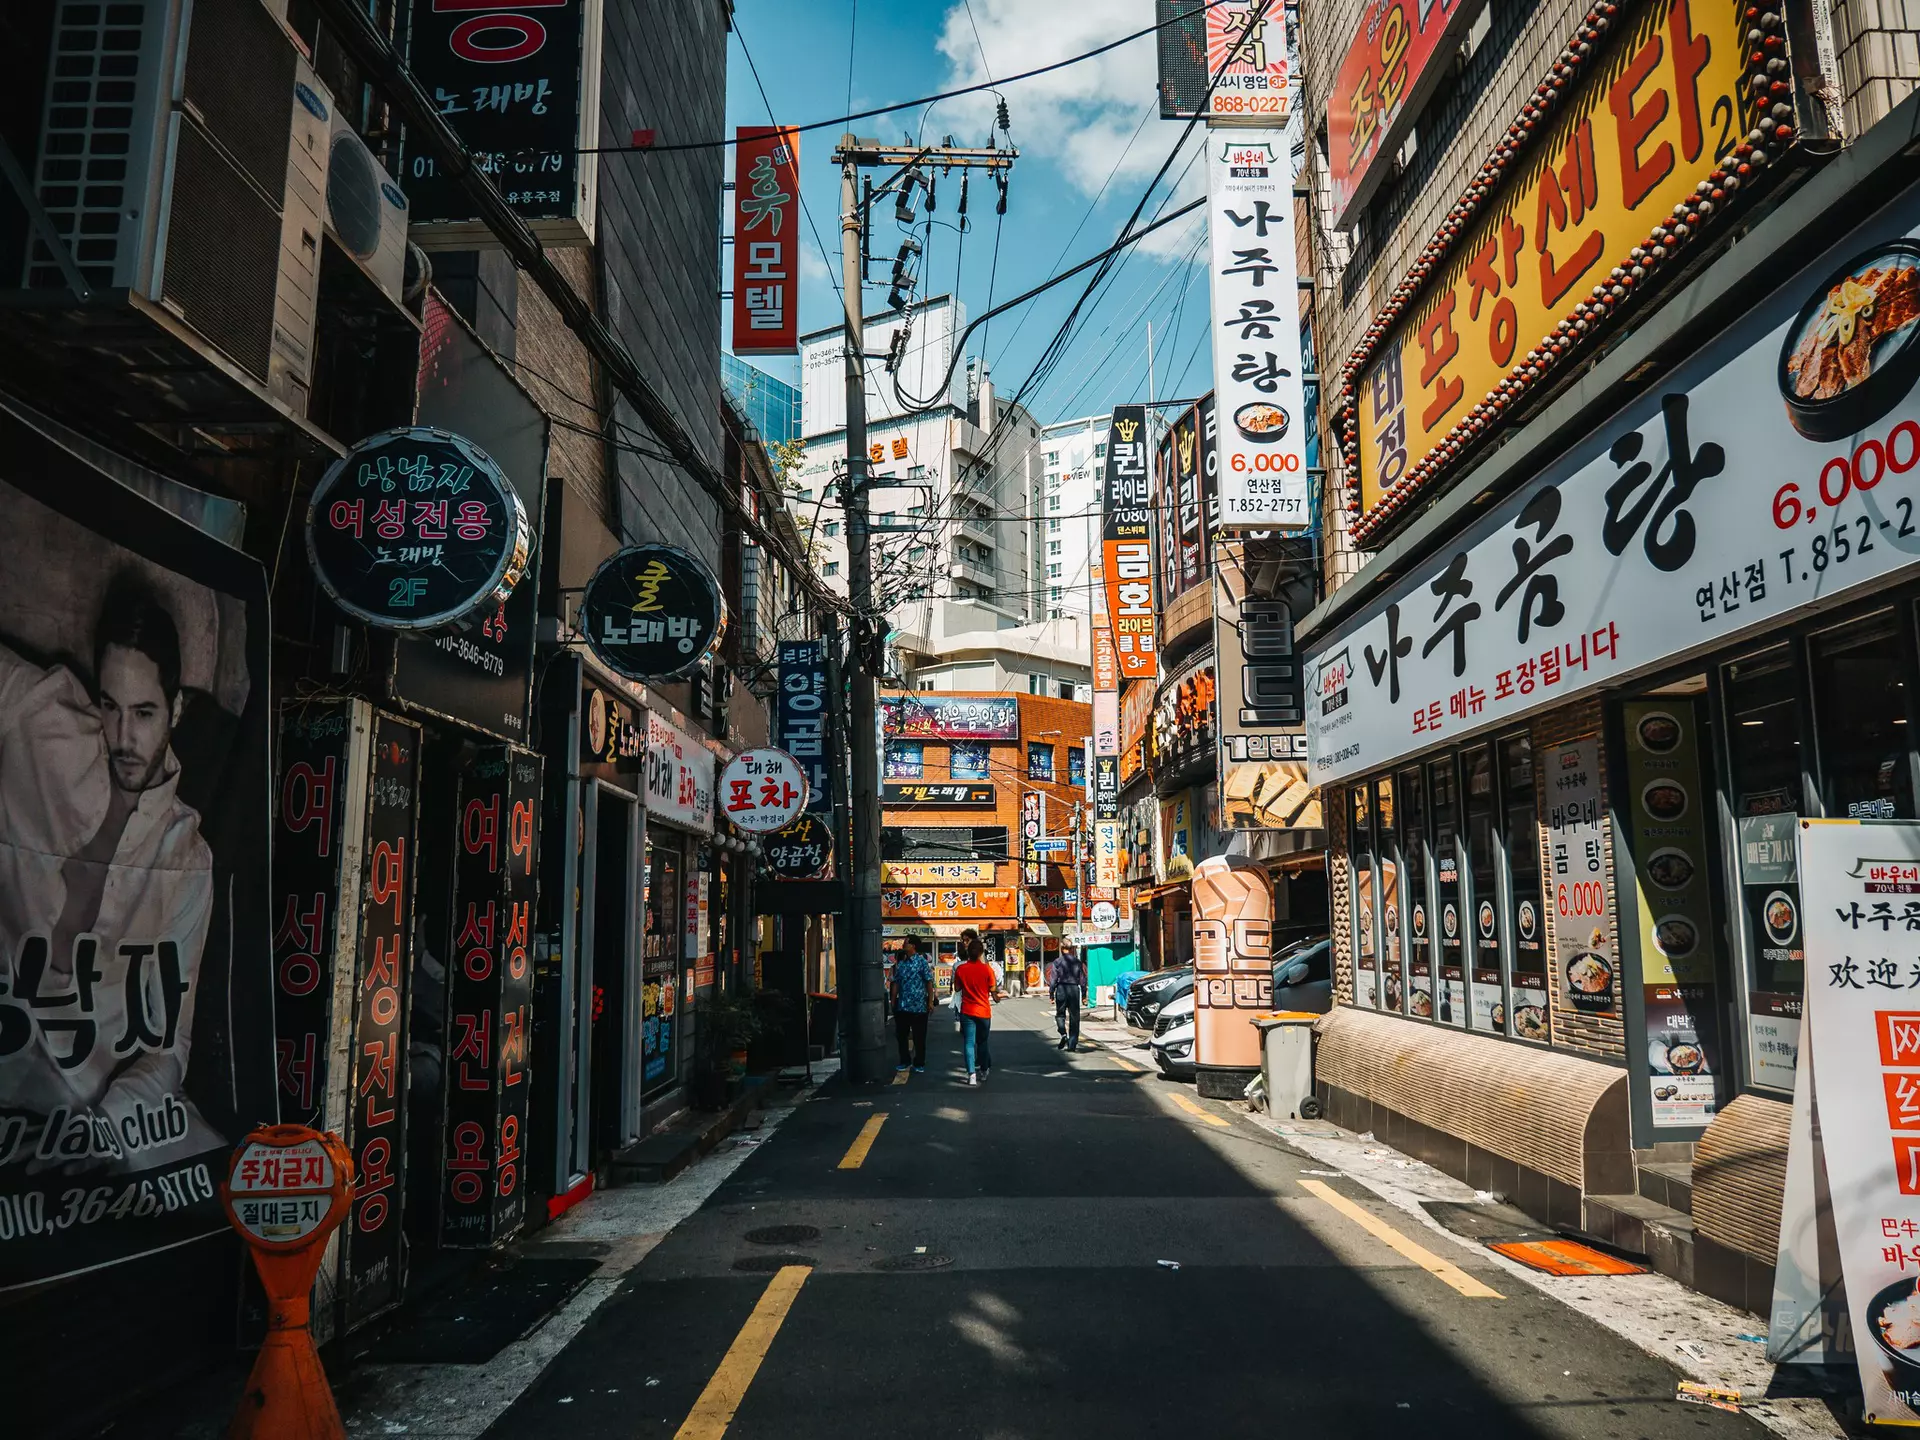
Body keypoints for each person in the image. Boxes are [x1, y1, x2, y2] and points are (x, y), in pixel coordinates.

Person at [0, 577, 214, 1171]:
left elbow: (170, 1047)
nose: (123, 737)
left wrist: (98, 1136)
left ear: (177, 708)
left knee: (227, 1188)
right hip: (10, 1071)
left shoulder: (186, 861)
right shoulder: (41, 715)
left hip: (100, 1113)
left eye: (144, 713)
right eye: (110, 706)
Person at [952, 934, 996, 1086]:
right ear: (981, 953)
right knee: (982, 1043)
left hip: (967, 1010)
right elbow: (993, 990)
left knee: (969, 1043)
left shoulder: (961, 969)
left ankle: (971, 1074)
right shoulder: (987, 970)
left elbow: (957, 988)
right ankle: (984, 1071)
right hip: (983, 1011)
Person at [891, 936, 933, 1074]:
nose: (904, 943)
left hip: (919, 1006)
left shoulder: (921, 962)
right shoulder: (901, 964)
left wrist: (930, 1001)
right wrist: (893, 1000)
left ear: (913, 946)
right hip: (902, 1005)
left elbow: (928, 982)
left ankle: (919, 1063)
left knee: (919, 1036)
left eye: (906, 942)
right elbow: (896, 982)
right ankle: (904, 1061)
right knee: (901, 1035)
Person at [1048, 943, 1089, 1052]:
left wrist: (1051, 993)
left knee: (1060, 1014)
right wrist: (1084, 995)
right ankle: (1072, 1044)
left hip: (1061, 988)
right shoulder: (1077, 962)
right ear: (1071, 949)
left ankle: (1063, 1034)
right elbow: (1083, 980)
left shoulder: (1057, 962)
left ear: (1061, 949)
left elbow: (1053, 979)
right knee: (1074, 1017)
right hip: (1074, 989)